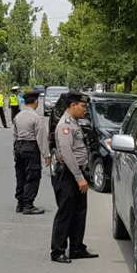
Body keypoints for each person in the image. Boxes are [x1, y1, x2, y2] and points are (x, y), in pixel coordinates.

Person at [50, 92, 98, 263]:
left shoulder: (75, 123)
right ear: (72, 105)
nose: (85, 110)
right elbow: (67, 153)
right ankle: (58, 251)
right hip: (69, 175)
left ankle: (77, 247)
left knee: (79, 212)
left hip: (78, 173)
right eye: (82, 106)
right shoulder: (65, 125)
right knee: (66, 212)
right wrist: (79, 178)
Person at [13, 91, 50, 215]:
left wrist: (15, 151)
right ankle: (28, 204)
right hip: (31, 147)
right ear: (35, 102)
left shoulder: (18, 116)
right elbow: (42, 138)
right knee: (33, 175)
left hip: (19, 146)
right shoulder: (36, 118)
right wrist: (47, 155)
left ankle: (20, 203)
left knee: (20, 174)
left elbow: (15, 135)